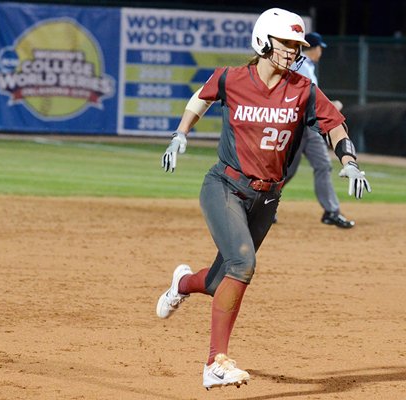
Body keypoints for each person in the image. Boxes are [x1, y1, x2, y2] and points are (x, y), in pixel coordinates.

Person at [157, 7, 371, 390]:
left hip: (267, 200)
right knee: (242, 263)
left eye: (297, 44)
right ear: (263, 41)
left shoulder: (302, 89)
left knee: (221, 278)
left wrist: (350, 161)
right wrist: (180, 134)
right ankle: (215, 363)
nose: (293, 50)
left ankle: (183, 283)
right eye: (286, 43)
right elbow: (200, 98)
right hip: (225, 185)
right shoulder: (232, 78)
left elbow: (334, 124)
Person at [282, 31, 356, 228]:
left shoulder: (306, 66)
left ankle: (331, 212)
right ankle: (261, 205)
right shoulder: (302, 66)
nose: (321, 52)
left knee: (323, 165)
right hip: (297, 125)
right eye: (320, 48)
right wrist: (331, 106)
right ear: (313, 48)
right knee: (286, 171)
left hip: (310, 127)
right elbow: (307, 99)